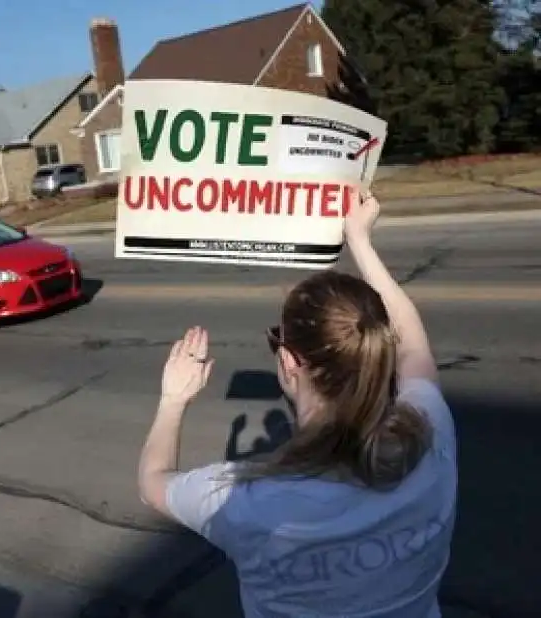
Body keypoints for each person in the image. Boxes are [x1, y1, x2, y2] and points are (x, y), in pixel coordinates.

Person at [137, 191, 457, 617]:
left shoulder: (244, 500)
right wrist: (359, 240)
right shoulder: (430, 433)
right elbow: (415, 347)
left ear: (289, 362)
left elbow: (152, 482)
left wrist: (173, 400)